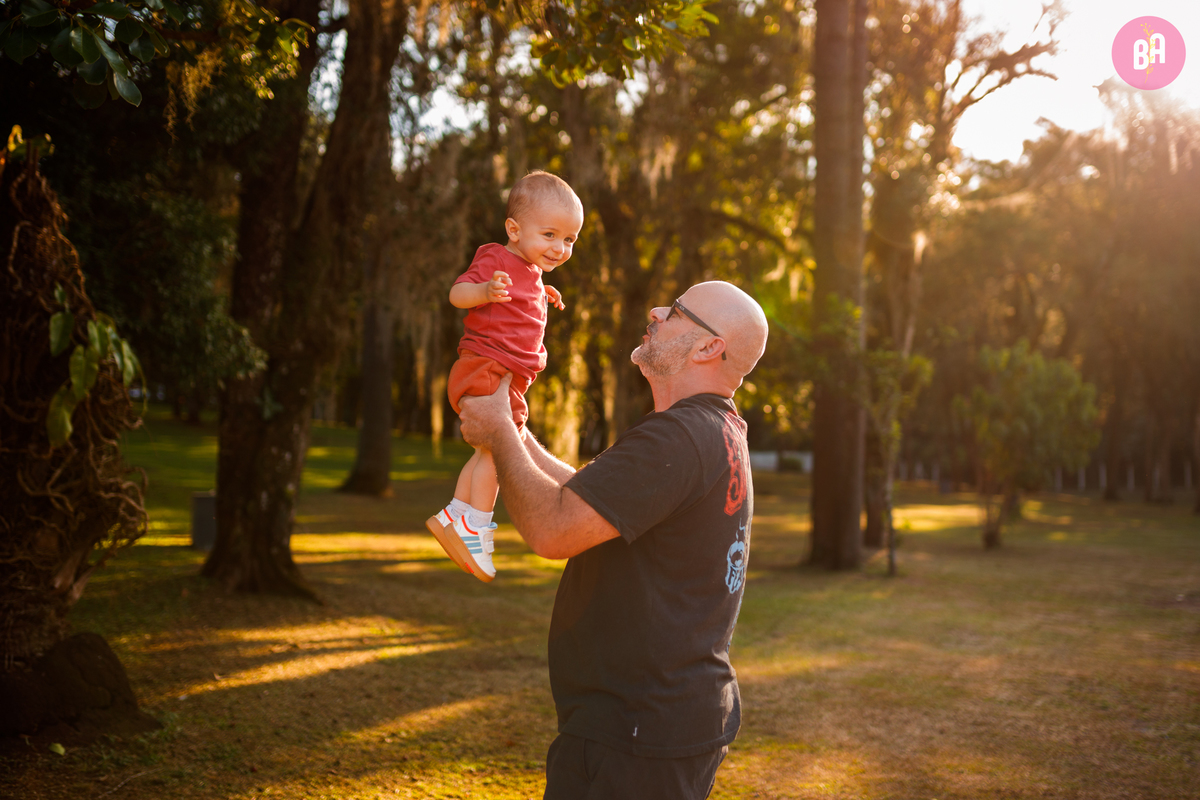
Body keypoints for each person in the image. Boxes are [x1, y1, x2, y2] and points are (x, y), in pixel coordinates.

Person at [457, 281, 769, 800]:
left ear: (708, 346)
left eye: (676, 311)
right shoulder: (709, 428)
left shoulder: (677, 437)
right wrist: (515, 429)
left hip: (637, 736)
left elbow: (554, 530)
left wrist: (498, 435)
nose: (655, 311)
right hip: (660, 722)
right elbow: (590, 499)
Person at [426, 170, 584, 583]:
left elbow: (520, 304)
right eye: (549, 234)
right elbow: (457, 293)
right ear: (514, 229)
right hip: (487, 366)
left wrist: (541, 294)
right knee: (497, 450)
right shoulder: (496, 258)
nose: (559, 247)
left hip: (507, 375)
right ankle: (476, 524)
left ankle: (456, 515)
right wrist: (484, 292)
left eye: (569, 240)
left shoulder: (532, 274)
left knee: (486, 453)